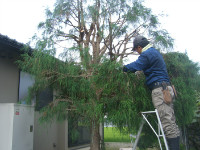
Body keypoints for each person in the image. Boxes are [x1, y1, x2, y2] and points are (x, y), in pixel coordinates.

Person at [123, 36, 180, 150]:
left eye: (136, 50)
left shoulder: (147, 54)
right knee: (170, 121)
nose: (137, 52)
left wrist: (122, 68)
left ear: (139, 47)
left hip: (160, 91)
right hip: (165, 89)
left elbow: (135, 66)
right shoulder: (154, 52)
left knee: (168, 123)